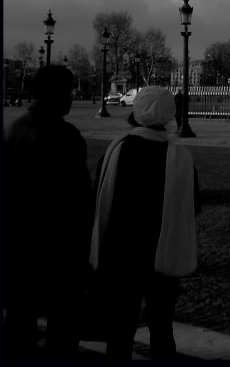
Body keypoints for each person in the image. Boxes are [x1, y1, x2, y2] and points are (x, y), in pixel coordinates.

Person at [90, 85, 200, 359]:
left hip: (122, 252)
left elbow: (98, 197)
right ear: (169, 116)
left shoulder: (117, 151)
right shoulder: (181, 157)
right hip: (162, 251)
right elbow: (193, 205)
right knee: (162, 327)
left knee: (120, 329)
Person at [3, 63, 94, 358]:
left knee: (19, 324)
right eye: (70, 90)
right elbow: (78, 200)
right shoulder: (65, 136)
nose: (73, 96)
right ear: (58, 94)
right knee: (63, 329)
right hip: (57, 247)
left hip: (17, 245)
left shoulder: (13, 130)